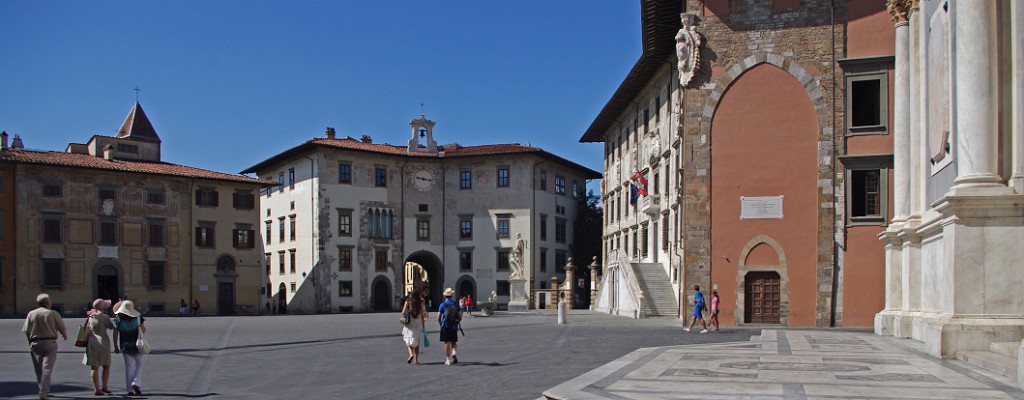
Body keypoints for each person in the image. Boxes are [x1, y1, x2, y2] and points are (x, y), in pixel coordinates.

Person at [22, 293, 67, 400]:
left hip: (36, 343)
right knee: (47, 369)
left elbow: (27, 330)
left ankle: (42, 389)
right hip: (50, 342)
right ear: (47, 302)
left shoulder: (31, 313)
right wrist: (64, 334)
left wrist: (30, 342)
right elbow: (61, 326)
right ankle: (44, 392)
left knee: (39, 369)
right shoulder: (53, 313)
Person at [112, 300, 147, 396]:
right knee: (139, 364)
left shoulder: (118, 319)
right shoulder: (138, 317)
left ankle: (129, 390)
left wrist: (115, 345)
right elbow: (144, 330)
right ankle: (136, 382)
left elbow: (115, 333)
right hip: (137, 344)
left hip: (125, 345)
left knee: (129, 366)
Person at [83, 298, 114, 395]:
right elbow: (112, 327)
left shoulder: (90, 315)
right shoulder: (104, 317)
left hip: (92, 341)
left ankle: (96, 388)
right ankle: (105, 386)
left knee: (94, 367)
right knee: (106, 365)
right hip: (103, 341)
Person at [437, 288, 462, 366]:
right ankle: (454, 353)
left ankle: (448, 360)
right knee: (454, 341)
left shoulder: (442, 305)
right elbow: (460, 317)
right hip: (454, 325)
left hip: (445, 325)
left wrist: (441, 324)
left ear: (445, 296)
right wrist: (457, 321)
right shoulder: (455, 304)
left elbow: (438, 317)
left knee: (446, 342)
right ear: (452, 295)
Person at [401, 293, 427, 365]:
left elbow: (403, 312)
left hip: (409, 323)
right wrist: (423, 326)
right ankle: (416, 360)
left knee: (408, 339)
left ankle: (411, 354)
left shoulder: (408, 302)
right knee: (417, 342)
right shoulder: (420, 303)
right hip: (417, 324)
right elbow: (422, 315)